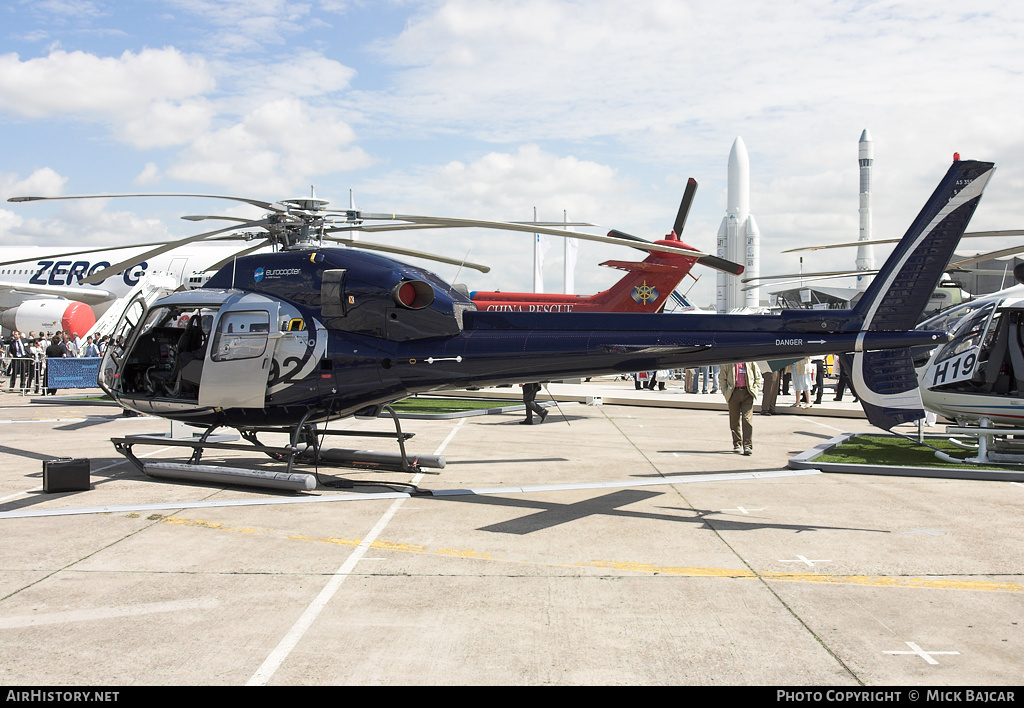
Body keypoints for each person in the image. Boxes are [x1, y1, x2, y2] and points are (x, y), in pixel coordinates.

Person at [722, 361, 762, 456]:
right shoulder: (728, 363)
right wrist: (726, 392)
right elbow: (722, 378)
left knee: (747, 419)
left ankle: (747, 445)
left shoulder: (750, 362)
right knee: (734, 420)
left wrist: (754, 389)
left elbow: (758, 377)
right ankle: (737, 444)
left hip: (747, 393)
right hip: (733, 393)